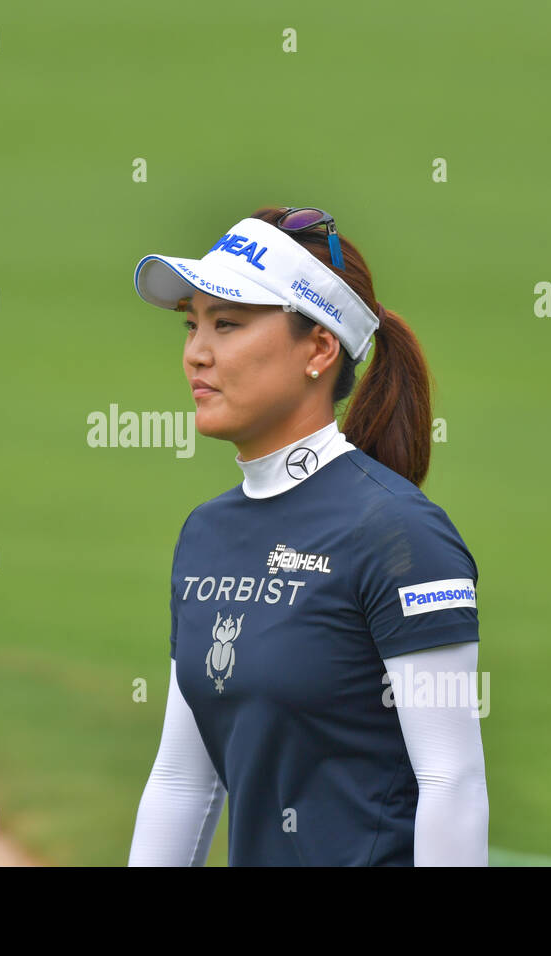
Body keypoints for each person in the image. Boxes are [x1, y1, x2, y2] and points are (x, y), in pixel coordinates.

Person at [126, 207, 488, 866]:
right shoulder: (206, 533)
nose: (196, 353)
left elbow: (452, 782)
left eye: (228, 324)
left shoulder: (401, 537)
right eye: (192, 324)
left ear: (319, 349)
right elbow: (185, 780)